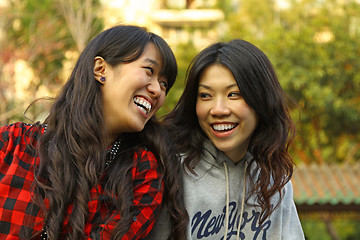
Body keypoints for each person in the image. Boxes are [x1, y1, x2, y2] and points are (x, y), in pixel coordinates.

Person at [0, 25, 187, 240]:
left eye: (164, 84)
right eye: (149, 72)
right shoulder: (11, 145)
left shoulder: (142, 173)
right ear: (100, 69)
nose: (157, 91)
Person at [148, 39, 305, 239]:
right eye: (205, 95)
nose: (218, 109)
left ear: (260, 100)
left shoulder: (275, 180)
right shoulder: (170, 168)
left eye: (233, 94)